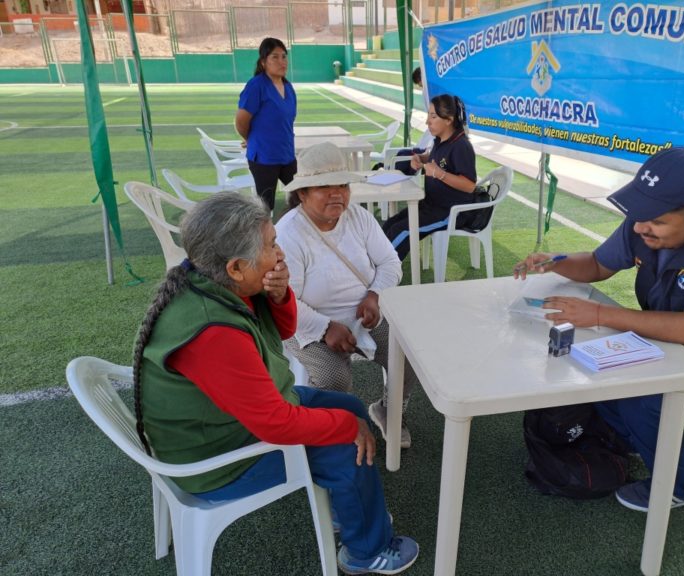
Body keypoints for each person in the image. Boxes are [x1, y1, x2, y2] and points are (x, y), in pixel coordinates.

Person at [132, 192, 419, 574]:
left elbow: (282, 330)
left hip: (227, 423)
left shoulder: (215, 283)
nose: (280, 253)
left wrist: (281, 294)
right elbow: (275, 424)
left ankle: (347, 507)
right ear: (236, 267)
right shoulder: (213, 331)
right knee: (348, 443)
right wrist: (347, 429)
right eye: (271, 246)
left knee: (347, 406)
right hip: (218, 459)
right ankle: (367, 552)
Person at [514, 147, 684, 512]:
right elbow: (599, 265)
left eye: (655, 222)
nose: (638, 227)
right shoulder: (646, 217)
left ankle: (679, 486)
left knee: (643, 395)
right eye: (638, 215)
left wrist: (599, 313)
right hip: (669, 338)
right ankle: (638, 436)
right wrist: (556, 263)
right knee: (592, 366)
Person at [276, 142, 421, 449]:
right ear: (302, 193)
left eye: (342, 184)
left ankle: (388, 410)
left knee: (408, 355)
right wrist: (325, 327)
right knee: (333, 380)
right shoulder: (289, 234)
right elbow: (284, 301)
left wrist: (375, 295)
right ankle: (335, 432)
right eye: (324, 186)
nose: (337, 193)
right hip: (306, 325)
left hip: (365, 315)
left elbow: (390, 263)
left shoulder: (358, 217)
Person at [382, 94, 477, 260]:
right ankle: (377, 265)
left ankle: (383, 271)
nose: (427, 122)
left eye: (433, 116)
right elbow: (435, 157)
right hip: (431, 204)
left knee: (402, 230)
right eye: (428, 116)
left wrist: (438, 174)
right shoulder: (441, 140)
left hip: (449, 211)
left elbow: (469, 185)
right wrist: (422, 158)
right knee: (390, 224)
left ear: (448, 119)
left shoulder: (461, 146)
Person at [235, 37, 297, 212]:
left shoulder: (288, 87)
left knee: (302, 195)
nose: (281, 61)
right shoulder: (256, 86)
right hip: (264, 157)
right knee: (265, 206)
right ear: (263, 62)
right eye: (275, 57)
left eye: (284, 56)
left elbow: (287, 121)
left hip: (286, 155)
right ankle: (265, 239)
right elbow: (241, 120)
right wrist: (251, 138)